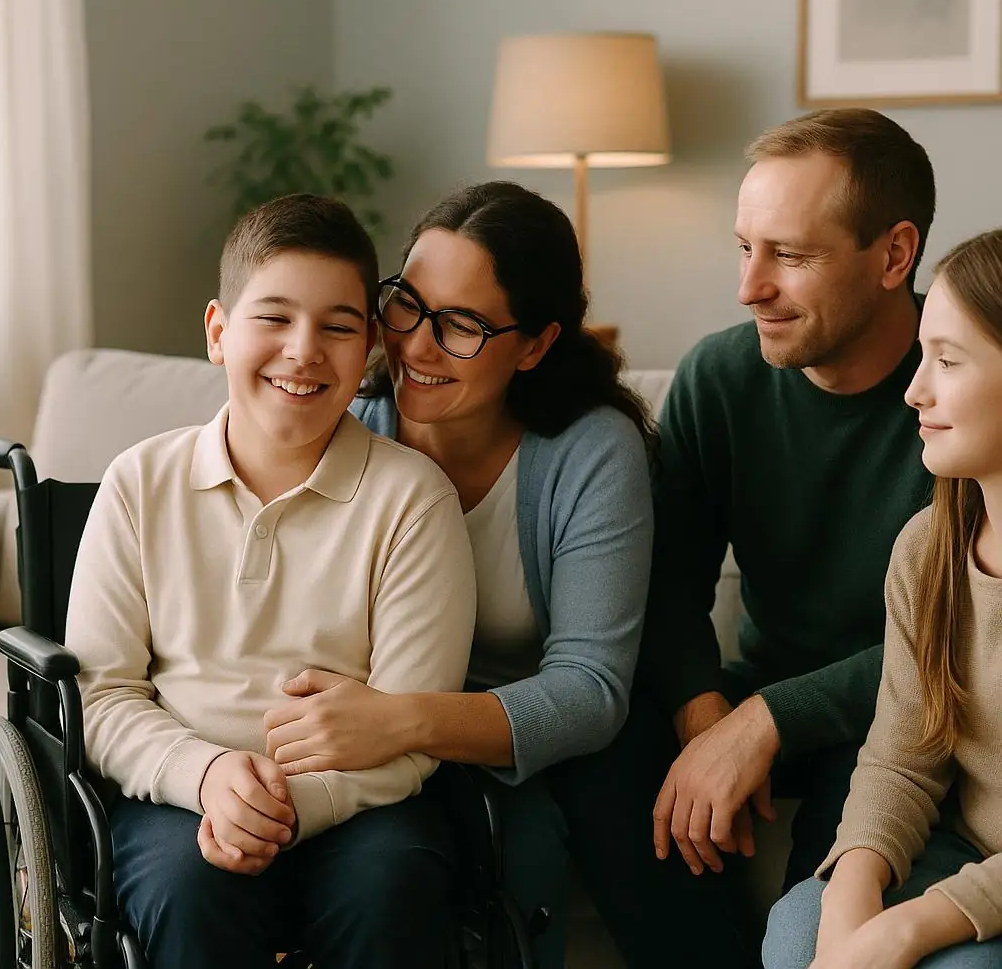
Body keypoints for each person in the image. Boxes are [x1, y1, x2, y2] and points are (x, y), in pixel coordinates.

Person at [551, 108, 939, 967]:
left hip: (911, 716)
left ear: (894, 255)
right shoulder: (721, 376)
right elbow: (664, 581)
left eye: (791, 256)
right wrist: (705, 717)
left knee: (836, 872)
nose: (749, 287)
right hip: (762, 686)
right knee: (599, 755)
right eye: (743, 247)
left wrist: (768, 720)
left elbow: (964, 631)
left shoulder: (962, 390)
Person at [65, 194, 477, 969]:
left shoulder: (414, 501)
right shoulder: (138, 483)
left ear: (367, 356)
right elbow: (100, 698)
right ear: (219, 332)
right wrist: (210, 775)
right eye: (274, 318)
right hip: (177, 792)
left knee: (394, 885)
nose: (304, 350)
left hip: (360, 803)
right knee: (187, 890)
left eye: (338, 327)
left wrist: (287, 808)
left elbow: (412, 728)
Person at [258, 180, 654, 968]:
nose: (414, 346)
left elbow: (590, 690)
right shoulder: (344, 424)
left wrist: (404, 719)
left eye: (463, 325)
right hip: (360, 743)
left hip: (502, 745)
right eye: (405, 304)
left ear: (536, 345)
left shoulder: (589, 454)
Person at [763, 226, 1002, 968]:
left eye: (948, 361)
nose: (914, 390)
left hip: (977, 893)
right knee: (799, 928)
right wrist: (851, 893)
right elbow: (903, 755)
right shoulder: (928, 548)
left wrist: (909, 929)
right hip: (961, 852)